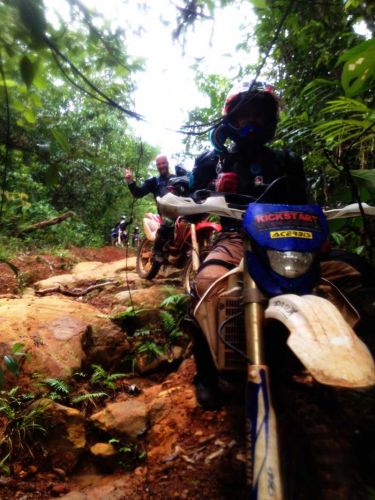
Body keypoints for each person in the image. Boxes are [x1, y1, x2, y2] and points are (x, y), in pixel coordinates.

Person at [188, 79, 374, 409]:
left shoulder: (287, 161)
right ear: (232, 120)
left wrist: (322, 237)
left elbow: (305, 203)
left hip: (292, 240)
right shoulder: (213, 162)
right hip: (235, 238)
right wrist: (216, 188)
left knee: (353, 273)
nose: (253, 121)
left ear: (271, 119)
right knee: (205, 282)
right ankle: (207, 373)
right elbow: (192, 208)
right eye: (246, 114)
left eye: (260, 113)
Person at [124, 154, 175, 262]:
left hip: (181, 210)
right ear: (157, 166)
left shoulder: (176, 179)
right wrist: (130, 181)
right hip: (165, 213)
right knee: (168, 222)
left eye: (163, 163)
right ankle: (157, 250)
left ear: (167, 163)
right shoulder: (154, 181)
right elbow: (138, 193)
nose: (161, 166)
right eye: (159, 164)